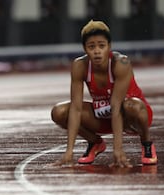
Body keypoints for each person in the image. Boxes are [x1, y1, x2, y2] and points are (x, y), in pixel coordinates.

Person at [51, 20, 157, 168]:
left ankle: (146, 143)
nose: (97, 51)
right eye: (91, 47)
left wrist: (118, 149)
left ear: (109, 46)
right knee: (59, 112)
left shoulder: (121, 63)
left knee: (131, 106)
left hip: (131, 115)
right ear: (84, 49)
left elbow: (116, 106)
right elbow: (76, 108)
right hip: (103, 117)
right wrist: (69, 152)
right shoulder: (79, 66)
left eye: (102, 46)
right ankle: (95, 142)